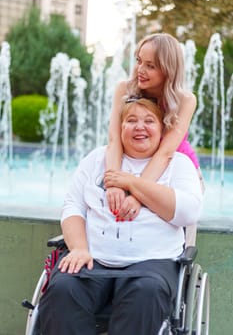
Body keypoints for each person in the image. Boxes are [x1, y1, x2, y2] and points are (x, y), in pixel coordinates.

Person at [38, 98, 203, 335]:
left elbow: (187, 212)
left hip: (152, 262)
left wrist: (131, 183)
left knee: (146, 293)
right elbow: (73, 206)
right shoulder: (97, 159)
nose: (140, 127)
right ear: (120, 127)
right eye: (131, 120)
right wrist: (79, 248)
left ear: (162, 129)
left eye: (149, 121)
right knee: (63, 288)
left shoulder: (178, 165)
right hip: (92, 257)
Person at [105, 33, 203, 245]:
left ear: (168, 68)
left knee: (178, 239)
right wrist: (113, 183)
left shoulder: (185, 100)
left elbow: (165, 153)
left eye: (150, 65)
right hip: (133, 168)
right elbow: (114, 141)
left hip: (175, 173)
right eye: (139, 61)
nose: (140, 69)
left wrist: (138, 193)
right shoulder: (125, 89)